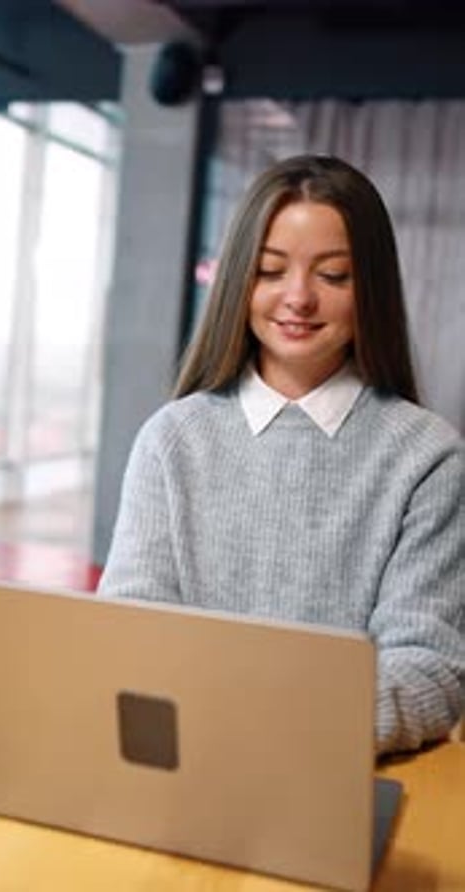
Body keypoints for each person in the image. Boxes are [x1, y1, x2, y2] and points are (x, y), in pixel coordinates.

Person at [98, 154, 465, 757]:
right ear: (239, 281)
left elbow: (429, 668)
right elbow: (131, 632)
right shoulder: (172, 438)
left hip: (338, 772)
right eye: (271, 271)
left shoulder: (428, 457)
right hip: (185, 762)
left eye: (334, 276)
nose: (298, 298)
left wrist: (286, 728)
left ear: (369, 288)